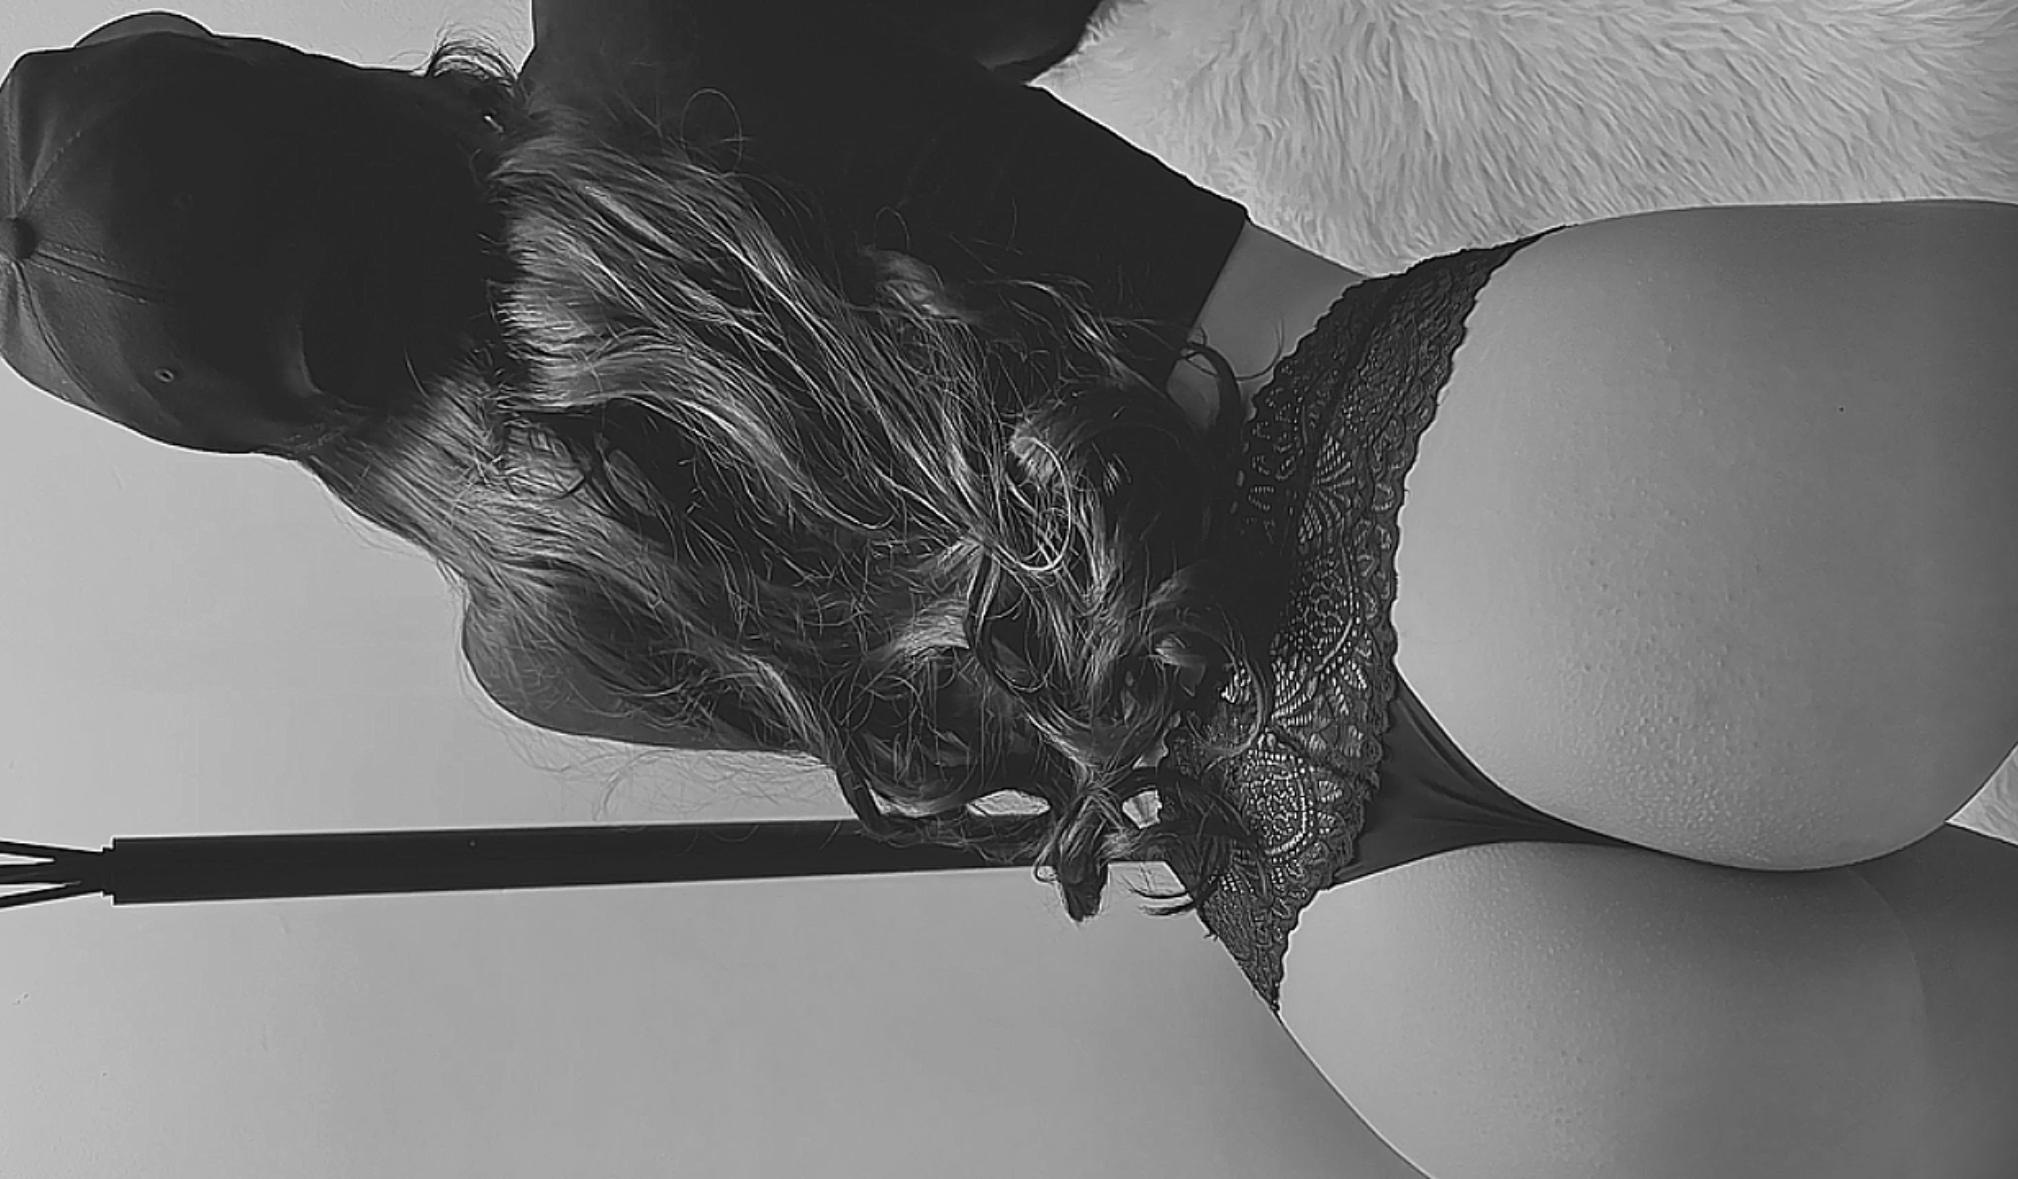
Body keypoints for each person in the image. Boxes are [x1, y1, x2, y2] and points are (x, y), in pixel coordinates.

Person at [6, 7, 2018, 1175]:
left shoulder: (534, 637)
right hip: (1502, 503)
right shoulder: (641, 44)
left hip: (1406, 961)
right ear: (303, 88)